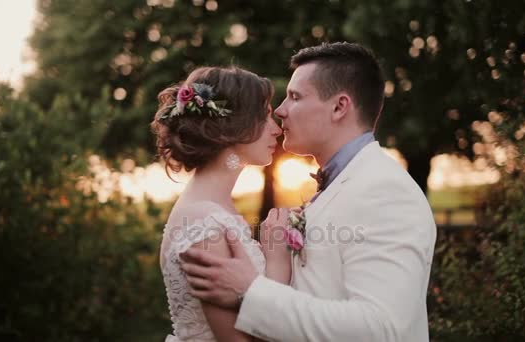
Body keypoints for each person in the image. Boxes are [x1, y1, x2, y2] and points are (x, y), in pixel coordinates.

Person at [180, 42, 437, 341]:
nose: (279, 110)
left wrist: (250, 292)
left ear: (339, 107)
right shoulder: (341, 186)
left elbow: (380, 328)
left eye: (294, 97)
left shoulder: (386, 191)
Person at [151, 66, 289, 342]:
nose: (277, 130)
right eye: (265, 117)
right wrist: (277, 259)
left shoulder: (213, 207)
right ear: (232, 126)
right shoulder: (204, 223)